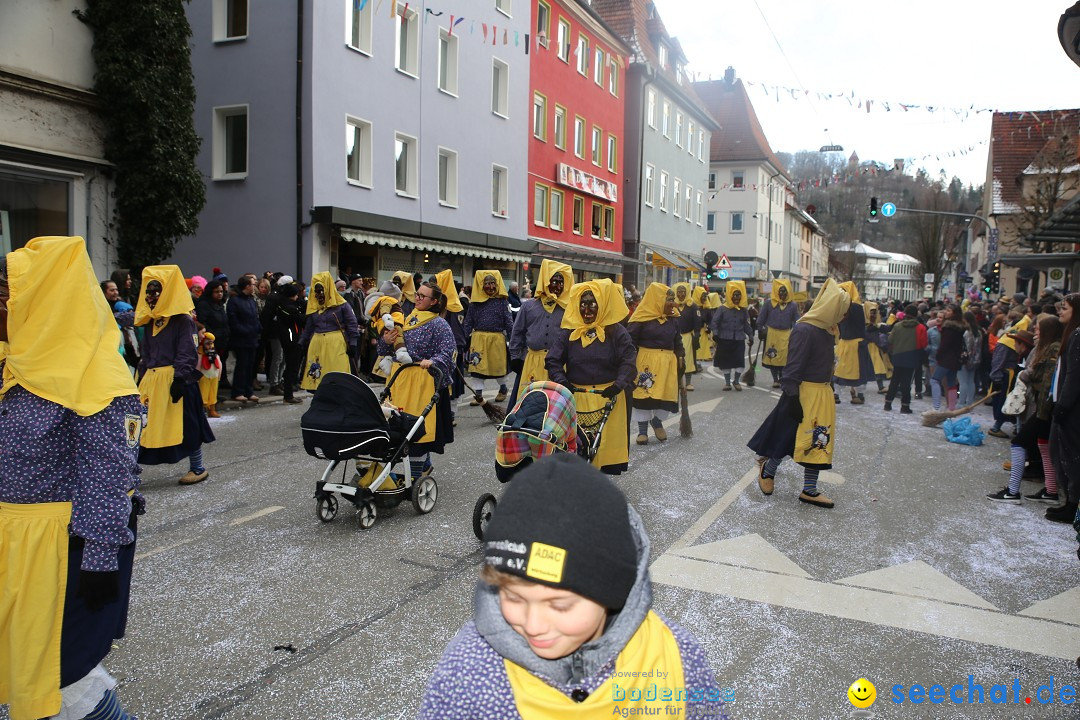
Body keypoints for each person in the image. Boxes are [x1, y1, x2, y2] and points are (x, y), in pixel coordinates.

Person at [418, 454, 725, 718]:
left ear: (612, 593)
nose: (533, 625)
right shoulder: (469, 669)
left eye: (560, 605)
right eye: (512, 596)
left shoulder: (677, 660)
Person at [0, 237, 144, 720]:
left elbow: (108, 476)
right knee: (19, 668)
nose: (4, 306)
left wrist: (100, 558)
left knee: (59, 675)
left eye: (9, 296)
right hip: (11, 541)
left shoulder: (96, 375)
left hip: (57, 550)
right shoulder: (17, 360)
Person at [748, 279, 852, 508]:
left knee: (818, 439)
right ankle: (769, 469)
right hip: (803, 394)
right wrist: (793, 397)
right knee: (789, 437)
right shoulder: (805, 330)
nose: (843, 317)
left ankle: (810, 490)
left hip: (822, 394)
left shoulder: (828, 330)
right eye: (842, 311)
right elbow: (792, 368)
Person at [135, 265, 216, 485]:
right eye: (149, 292)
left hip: (176, 380)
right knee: (143, 425)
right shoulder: (152, 321)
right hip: (153, 381)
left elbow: (186, 351)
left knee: (186, 424)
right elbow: (147, 353)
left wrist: (180, 378)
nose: (151, 297)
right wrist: (141, 378)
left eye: (156, 291)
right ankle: (132, 471)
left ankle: (197, 467)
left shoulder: (183, 320)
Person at [547, 279, 637, 475]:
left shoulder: (616, 332)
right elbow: (552, 359)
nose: (586, 310)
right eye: (583, 305)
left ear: (603, 305)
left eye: (592, 305)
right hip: (576, 397)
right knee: (576, 445)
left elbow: (629, 360)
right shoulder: (569, 332)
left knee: (604, 448)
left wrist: (619, 384)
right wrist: (562, 382)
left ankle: (598, 488)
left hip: (608, 397)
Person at [379, 280, 456, 480]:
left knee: (418, 427)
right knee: (399, 424)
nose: (418, 298)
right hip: (400, 379)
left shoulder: (439, 324)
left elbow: (448, 352)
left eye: (423, 296)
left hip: (422, 382)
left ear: (433, 302)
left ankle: (413, 473)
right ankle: (424, 465)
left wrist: (433, 361)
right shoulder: (405, 317)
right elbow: (389, 349)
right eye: (417, 295)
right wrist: (386, 342)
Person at [988, 317, 1063, 503]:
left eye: (1038, 330)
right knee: (1043, 446)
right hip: (1048, 407)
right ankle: (1051, 491)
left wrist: (1026, 375)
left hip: (1045, 408)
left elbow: (1045, 382)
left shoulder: (1052, 348)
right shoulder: (1052, 347)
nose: (1035, 332)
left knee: (1019, 443)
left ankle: (1012, 492)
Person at [508, 259, 572, 403]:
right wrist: (515, 357)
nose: (558, 286)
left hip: (559, 364)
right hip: (532, 361)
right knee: (528, 402)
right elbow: (517, 332)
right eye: (554, 281)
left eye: (561, 282)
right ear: (546, 282)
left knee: (556, 403)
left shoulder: (569, 309)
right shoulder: (528, 306)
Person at [627, 283, 683, 445]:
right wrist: (628, 363)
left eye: (673, 300)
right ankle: (642, 432)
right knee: (644, 396)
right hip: (646, 364)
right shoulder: (641, 318)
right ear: (658, 300)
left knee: (666, 395)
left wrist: (681, 357)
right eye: (669, 300)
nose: (672, 303)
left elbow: (677, 341)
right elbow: (629, 342)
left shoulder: (673, 319)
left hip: (667, 364)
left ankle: (657, 421)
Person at [299, 271, 359, 392]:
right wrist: (301, 342)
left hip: (336, 343)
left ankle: (338, 397)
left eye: (322, 290)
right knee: (317, 375)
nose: (319, 294)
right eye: (317, 291)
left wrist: (353, 343)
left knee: (337, 372)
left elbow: (352, 324)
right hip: (317, 343)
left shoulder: (342, 305)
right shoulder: (313, 306)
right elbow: (309, 326)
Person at [1049, 294, 1080, 523]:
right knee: (1061, 453)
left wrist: (1062, 405)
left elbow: (1073, 375)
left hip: (1072, 409)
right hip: (1066, 404)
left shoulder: (1077, 335)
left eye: (1065, 308)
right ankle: (1069, 501)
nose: (1060, 311)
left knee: (1070, 456)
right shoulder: (1072, 334)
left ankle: (1072, 504)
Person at [464, 270, 515, 404]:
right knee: (477, 368)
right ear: (481, 285)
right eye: (487, 283)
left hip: (497, 339)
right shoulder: (474, 304)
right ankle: (478, 394)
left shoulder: (502, 302)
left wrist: (514, 340)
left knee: (498, 368)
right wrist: (463, 340)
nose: (491, 287)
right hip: (478, 340)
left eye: (493, 283)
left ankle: (503, 389)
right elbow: (468, 322)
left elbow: (509, 322)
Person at [987, 324, 1031, 438]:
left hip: (1008, 375)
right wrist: (997, 379)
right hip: (1004, 376)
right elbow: (997, 362)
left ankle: (1013, 426)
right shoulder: (1005, 344)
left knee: (1008, 401)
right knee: (1002, 401)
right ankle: (996, 427)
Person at [833, 281, 872, 404]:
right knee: (839, 370)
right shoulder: (847, 307)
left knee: (856, 371)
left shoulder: (854, 307)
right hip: (845, 343)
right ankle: (838, 394)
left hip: (855, 345)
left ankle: (859, 394)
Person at [883, 304, 927, 413]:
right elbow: (923, 344)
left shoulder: (897, 326)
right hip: (912, 356)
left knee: (895, 380)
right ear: (916, 314)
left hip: (897, 356)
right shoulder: (921, 327)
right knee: (907, 382)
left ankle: (888, 403)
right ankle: (905, 405)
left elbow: (890, 339)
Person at [710, 280, 753, 391]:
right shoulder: (722, 309)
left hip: (739, 339)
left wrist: (751, 336)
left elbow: (747, 325)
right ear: (730, 296)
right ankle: (727, 383)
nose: (737, 298)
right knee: (726, 363)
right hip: (724, 339)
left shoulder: (743, 310)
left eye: (739, 295)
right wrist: (715, 334)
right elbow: (714, 322)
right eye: (735, 295)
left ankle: (736, 381)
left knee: (740, 362)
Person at [757, 278, 800, 388]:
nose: (783, 294)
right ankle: (775, 379)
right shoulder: (768, 303)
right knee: (773, 356)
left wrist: (797, 331)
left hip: (786, 334)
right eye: (781, 291)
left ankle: (782, 377)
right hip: (772, 334)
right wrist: (760, 329)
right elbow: (761, 318)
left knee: (784, 357)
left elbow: (796, 320)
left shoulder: (793, 305)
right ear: (777, 292)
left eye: (785, 291)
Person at [227, 275, 262, 403]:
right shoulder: (235, 301)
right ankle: (238, 391)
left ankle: (248, 390)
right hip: (241, 339)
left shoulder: (251, 300)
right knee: (242, 365)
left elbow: (255, 317)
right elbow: (233, 321)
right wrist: (246, 331)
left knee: (250, 366)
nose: (254, 287)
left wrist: (258, 328)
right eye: (253, 284)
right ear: (247, 286)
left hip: (252, 338)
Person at [195, 279, 231, 394]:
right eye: (216, 292)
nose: (220, 294)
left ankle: (216, 391)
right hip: (211, 340)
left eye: (221, 291)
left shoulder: (219, 304)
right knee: (209, 369)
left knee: (218, 367)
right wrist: (213, 336)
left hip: (222, 338)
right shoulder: (204, 304)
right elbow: (204, 322)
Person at [930, 304, 965, 412]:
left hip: (946, 358)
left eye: (949, 310)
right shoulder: (960, 326)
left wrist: (939, 355)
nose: (946, 312)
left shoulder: (949, 327)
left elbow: (944, 344)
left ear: (954, 313)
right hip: (955, 359)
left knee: (934, 380)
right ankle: (951, 408)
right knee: (951, 384)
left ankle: (936, 407)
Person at [671, 282, 700, 391]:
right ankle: (678, 382)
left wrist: (697, 334)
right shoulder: (672, 305)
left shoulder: (692, 306)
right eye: (679, 292)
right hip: (674, 337)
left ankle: (688, 383)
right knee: (676, 360)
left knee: (687, 359)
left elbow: (697, 321)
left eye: (683, 292)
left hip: (687, 336)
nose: (681, 294)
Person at [864, 303, 892, 394]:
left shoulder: (877, 325)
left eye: (875, 313)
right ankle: (858, 390)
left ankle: (880, 387)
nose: (873, 315)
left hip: (875, 348)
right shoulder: (864, 325)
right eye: (871, 313)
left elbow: (887, 328)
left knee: (878, 367)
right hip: (867, 347)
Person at [959, 310, 983, 407]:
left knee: (963, 381)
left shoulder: (967, 332)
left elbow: (968, 347)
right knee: (971, 381)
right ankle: (969, 402)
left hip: (966, 359)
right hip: (976, 359)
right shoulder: (979, 332)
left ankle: (961, 402)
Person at [197, 329, 223, 417]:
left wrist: (219, 375)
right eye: (208, 344)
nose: (210, 346)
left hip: (214, 376)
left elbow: (219, 364)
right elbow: (198, 365)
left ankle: (212, 410)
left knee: (213, 394)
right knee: (203, 394)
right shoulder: (200, 355)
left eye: (211, 343)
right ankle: (201, 412)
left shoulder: (214, 354)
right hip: (204, 376)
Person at [692, 286, 714, 367]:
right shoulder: (692, 307)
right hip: (693, 333)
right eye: (703, 296)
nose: (704, 298)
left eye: (705, 296)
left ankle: (699, 362)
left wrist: (709, 327)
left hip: (703, 333)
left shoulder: (707, 309)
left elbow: (710, 320)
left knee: (702, 350)